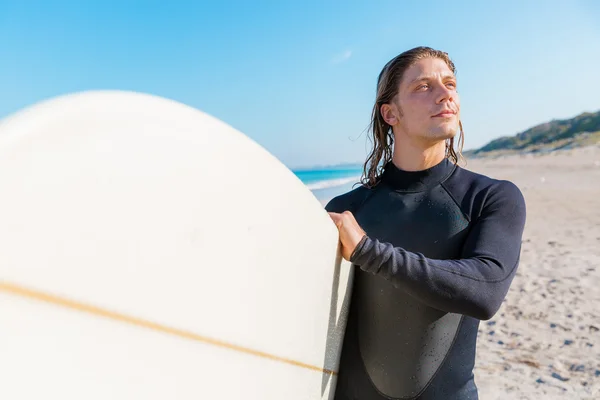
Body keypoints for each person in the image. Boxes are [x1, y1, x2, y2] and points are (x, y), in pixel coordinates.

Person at [326, 46, 527, 400]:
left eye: (450, 83)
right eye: (424, 86)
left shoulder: (492, 198)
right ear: (391, 113)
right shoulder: (347, 209)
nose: (445, 93)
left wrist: (368, 251)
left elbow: (485, 291)